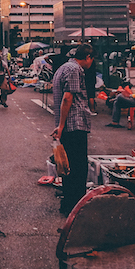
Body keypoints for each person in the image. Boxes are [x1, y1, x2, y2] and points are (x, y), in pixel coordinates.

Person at [51, 43, 95, 215]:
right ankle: (76, 205)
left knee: (67, 167)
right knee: (78, 167)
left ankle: (68, 203)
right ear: (88, 57)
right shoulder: (75, 70)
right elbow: (68, 98)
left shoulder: (63, 68)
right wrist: (61, 126)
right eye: (92, 60)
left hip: (67, 125)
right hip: (74, 124)